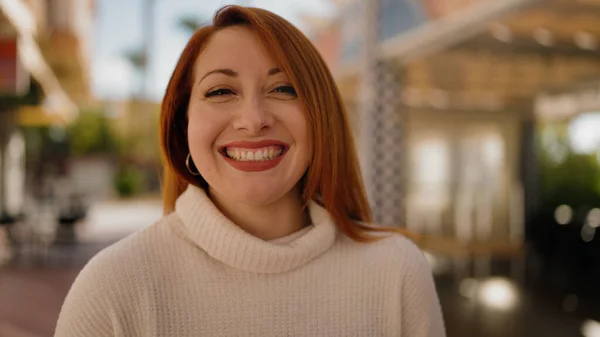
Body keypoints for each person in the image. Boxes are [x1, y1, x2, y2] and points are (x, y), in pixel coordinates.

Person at [55, 5, 445, 337]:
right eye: (221, 91)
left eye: (284, 89)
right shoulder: (111, 289)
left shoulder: (396, 272)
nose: (254, 119)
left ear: (320, 117)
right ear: (182, 125)